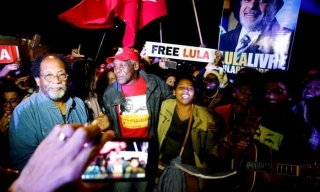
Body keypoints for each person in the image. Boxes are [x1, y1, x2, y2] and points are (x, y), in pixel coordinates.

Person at [8, 53, 109, 172]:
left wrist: (95, 130)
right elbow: (23, 163)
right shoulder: (25, 111)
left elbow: (87, 147)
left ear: (68, 78)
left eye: (61, 75)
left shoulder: (79, 104)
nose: (56, 80)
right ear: (38, 80)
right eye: (48, 76)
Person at [103, 47, 174, 192]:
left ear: (135, 65)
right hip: (120, 152)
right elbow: (111, 121)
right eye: (115, 66)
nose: (117, 70)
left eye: (122, 65)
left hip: (146, 151)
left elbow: (171, 103)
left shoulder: (155, 83)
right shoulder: (110, 92)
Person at [157, 74, 220, 191]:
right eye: (181, 87)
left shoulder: (204, 116)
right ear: (174, 92)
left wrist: (211, 162)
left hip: (191, 173)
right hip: (162, 167)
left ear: (194, 94)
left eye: (190, 88)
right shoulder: (164, 106)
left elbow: (212, 146)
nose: (186, 90)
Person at [7, 123, 115, 192]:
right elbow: (21, 161)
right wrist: (25, 189)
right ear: (37, 84)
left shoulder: (79, 104)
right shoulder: (25, 111)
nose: (58, 84)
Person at [219, 0, 293, 55]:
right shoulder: (222, 39)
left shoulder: (289, 42)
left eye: (262, 0)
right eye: (247, 0)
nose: (251, 6)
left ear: (277, 6)